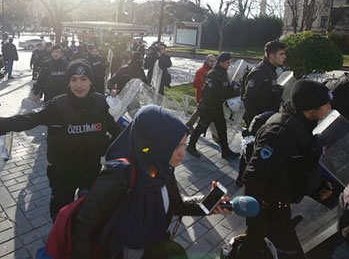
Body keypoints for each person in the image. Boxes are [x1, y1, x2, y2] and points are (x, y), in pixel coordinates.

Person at [0, 60, 121, 220]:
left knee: (89, 214)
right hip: (63, 172)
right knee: (60, 215)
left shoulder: (99, 102)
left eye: (83, 79)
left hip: (91, 169)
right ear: (68, 81)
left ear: (90, 80)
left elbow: (115, 129)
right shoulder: (57, 105)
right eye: (73, 79)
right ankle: (60, 242)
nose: (79, 85)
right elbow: (28, 119)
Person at [71, 105, 231, 259]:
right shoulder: (118, 175)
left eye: (184, 144)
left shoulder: (162, 168)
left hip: (154, 247)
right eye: (176, 146)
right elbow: (85, 226)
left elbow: (177, 205)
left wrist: (209, 203)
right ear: (156, 144)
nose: (183, 153)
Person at [241, 79, 334, 259]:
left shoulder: (303, 123)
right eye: (325, 104)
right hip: (272, 211)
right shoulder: (279, 133)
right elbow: (253, 178)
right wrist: (254, 229)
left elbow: (299, 163)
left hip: (291, 203)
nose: (330, 106)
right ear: (310, 108)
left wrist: (319, 184)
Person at [186, 52, 240, 160]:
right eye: (227, 62)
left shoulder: (223, 73)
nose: (229, 65)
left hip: (217, 107)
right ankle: (191, 146)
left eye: (230, 62)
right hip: (208, 107)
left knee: (222, 128)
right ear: (220, 62)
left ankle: (225, 151)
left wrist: (236, 90)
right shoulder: (213, 74)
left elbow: (227, 89)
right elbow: (210, 93)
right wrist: (226, 93)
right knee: (201, 127)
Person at [242, 40, 287, 127]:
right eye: (281, 54)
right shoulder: (259, 72)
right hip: (260, 120)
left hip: (268, 117)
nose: (284, 57)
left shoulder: (272, 70)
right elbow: (248, 99)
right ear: (271, 56)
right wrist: (254, 122)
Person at [186, 54, 216, 130]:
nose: (213, 63)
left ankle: (189, 125)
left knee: (199, 112)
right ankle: (190, 126)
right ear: (207, 61)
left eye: (214, 61)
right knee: (201, 112)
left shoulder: (213, 70)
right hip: (202, 96)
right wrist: (208, 86)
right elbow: (195, 83)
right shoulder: (201, 71)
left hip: (209, 96)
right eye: (211, 61)